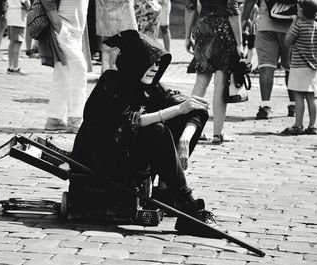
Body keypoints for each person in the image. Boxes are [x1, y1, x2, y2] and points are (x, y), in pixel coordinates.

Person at [72, 30, 215, 231]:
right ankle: (188, 206)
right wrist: (175, 110)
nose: (155, 68)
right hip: (102, 160)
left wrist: (185, 137)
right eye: (151, 62)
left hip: (128, 158)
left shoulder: (153, 88)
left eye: (159, 63)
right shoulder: (110, 82)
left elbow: (193, 106)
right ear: (135, 61)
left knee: (175, 116)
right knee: (158, 129)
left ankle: (166, 193)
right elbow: (129, 121)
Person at [185, 0, 243, 144]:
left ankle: (193, 130)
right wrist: (240, 43)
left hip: (203, 27)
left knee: (201, 81)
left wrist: (187, 36)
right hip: (223, 29)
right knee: (221, 82)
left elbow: (190, 7)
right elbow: (232, 10)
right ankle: (218, 133)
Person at [242, 0, 297, 119]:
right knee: (291, 67)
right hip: (293, 26)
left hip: (266, 25)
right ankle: (293, 105)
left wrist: (245, 18)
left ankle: (265, 105)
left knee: (267, 66)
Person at [40, 0, 89, 133]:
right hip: (64, 29)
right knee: (79, 70)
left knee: (62, 74)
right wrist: (59, 26)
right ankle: (75, 119)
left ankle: (54, 119)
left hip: (75, 32)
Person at [282, 0, 317, 135]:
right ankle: (312, 125)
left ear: (301, 12)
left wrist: (293, 23)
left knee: (298, 96)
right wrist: (312, 48)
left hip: (298, 66)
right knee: (311, 97)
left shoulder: (299, 26)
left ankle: (298, 124)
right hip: (312, 67)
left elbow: (287, 42)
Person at [95, 0, 138, 73]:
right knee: (112, 43)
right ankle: (110, 75)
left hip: (115, 11)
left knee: (111, 43)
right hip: (115, 11)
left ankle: (109, 74)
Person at [6, 0, 29, 74]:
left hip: (11, 15)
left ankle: (10, 67)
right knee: (17, 43)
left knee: (12, 42)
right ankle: (15, 68)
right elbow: (26, 3)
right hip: (18, 17)